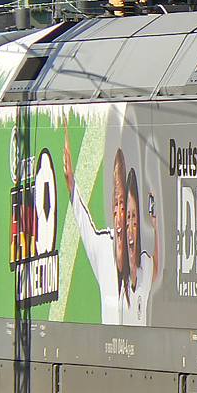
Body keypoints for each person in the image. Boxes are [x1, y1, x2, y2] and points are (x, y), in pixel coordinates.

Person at [63, 121, 128, 325]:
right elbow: (84, 222)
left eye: (123, 206)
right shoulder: (102, 246)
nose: (119, 214)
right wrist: (71, 183)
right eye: (115, 205)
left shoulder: (139, 262)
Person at [122, 168, 158, 326]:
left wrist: (156, 226)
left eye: (134, 216)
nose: (130, 227)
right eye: (127, 218)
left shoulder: (145, 267)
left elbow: (156, 268)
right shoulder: (116, 275)